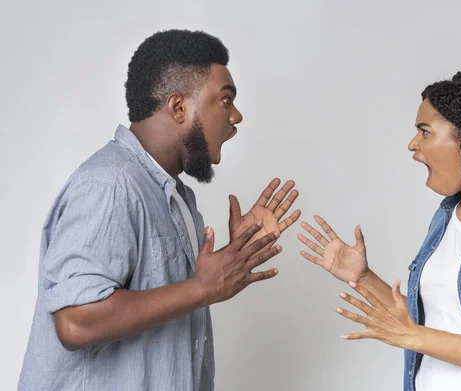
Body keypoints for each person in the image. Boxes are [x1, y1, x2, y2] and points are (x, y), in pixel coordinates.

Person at [18, 29, 300, 391]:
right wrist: (202, 288)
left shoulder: (177, 196)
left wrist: (234, 257)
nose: (237, 116)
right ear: (178, 107)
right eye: (225, 100)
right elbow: (76, 322)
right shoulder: (110, 185)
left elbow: (175, 302)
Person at [298, 72, 461, 391]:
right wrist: (363, 277)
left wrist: (413, 336)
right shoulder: (446, 216)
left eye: (425, 132)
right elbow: (422, 322)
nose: (413, 144)